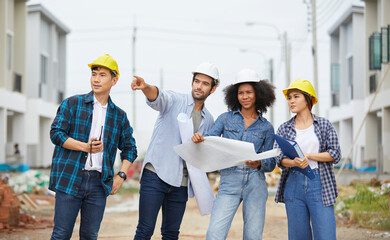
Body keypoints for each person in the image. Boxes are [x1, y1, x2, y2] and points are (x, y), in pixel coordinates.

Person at [49, 54, 137, 240]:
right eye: (94, 74)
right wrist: (84, 147)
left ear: (114, 80)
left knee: (90, 235)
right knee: (61, 234)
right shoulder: (73, 103)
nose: (96, 79)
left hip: (98, 183)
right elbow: (56, 133)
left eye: (102, 75)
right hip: (70, 177)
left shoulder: (119, 116)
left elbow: (130, 148)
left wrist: (121, 176)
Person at [131, 62, 219, 240]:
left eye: (205, 83)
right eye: (197, 81)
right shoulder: (175, 100)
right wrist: (146, 87)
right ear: (192, 82)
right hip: (156, 174)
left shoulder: (209, 119)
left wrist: (200, 144)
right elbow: (158, 96)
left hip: (181, 183)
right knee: (145, 230)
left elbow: (203, 155)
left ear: (213, 89)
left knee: (171, 234)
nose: (199, 86)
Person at [192, 68, 276, 240]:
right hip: (229, 183)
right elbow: (210, 141)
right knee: (214, 234)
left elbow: (271, 162)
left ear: (258, 94)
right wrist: (200, 138)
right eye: (240, 93)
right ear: (234, 95)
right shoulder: (225, 119)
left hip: (255, 184)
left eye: (249, 92)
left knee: (253, 236)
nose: (244, 97)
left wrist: (259, 163)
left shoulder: (266, 127)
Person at [274, 79, 341, 240]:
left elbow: (335, 154)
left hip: (319, 184)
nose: (291, 101)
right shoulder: (284, 128)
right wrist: (294, 162)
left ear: (308, 99)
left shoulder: (323, 125)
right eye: (289, 98)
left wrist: (309, 156)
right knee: (298, 236)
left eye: (296, 96)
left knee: (326, 235)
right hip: (293, 183)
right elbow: (279, 158)